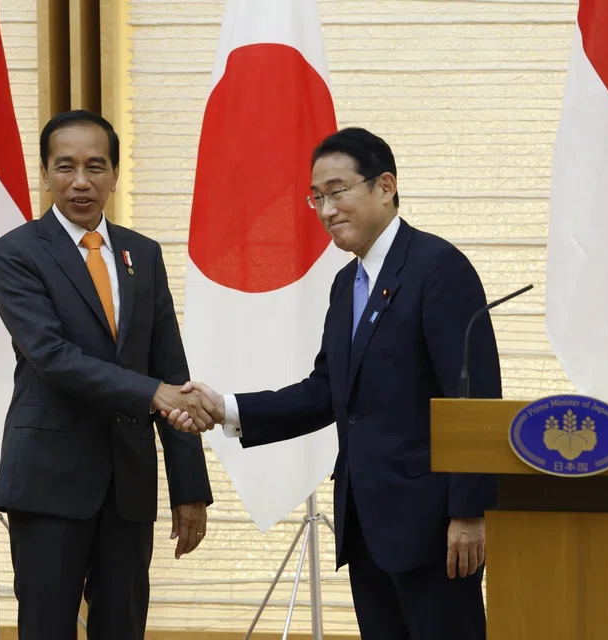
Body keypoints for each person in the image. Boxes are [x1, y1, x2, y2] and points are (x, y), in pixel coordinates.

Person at [166, 127, 501, 639]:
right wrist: (226, 406)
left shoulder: (438, 268)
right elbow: (325, 391)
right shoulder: (348, 283)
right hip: (366, 522)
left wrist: (470, 512)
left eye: (338, 191)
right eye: (316, 197)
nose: (325, 210)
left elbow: (474, 397)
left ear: (385, 186)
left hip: (434, 526)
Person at [0, 109, 216, 640]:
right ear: (45, 173)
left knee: (124, 628)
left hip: (128, 485)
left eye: (96, 166)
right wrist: (152, 393)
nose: (81, 181)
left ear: (115, 173)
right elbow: (52, 356)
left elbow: (170, 369)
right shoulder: (17, 253)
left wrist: (190, 488)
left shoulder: (144, 254)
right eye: (65, 166)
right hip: (49, 481)